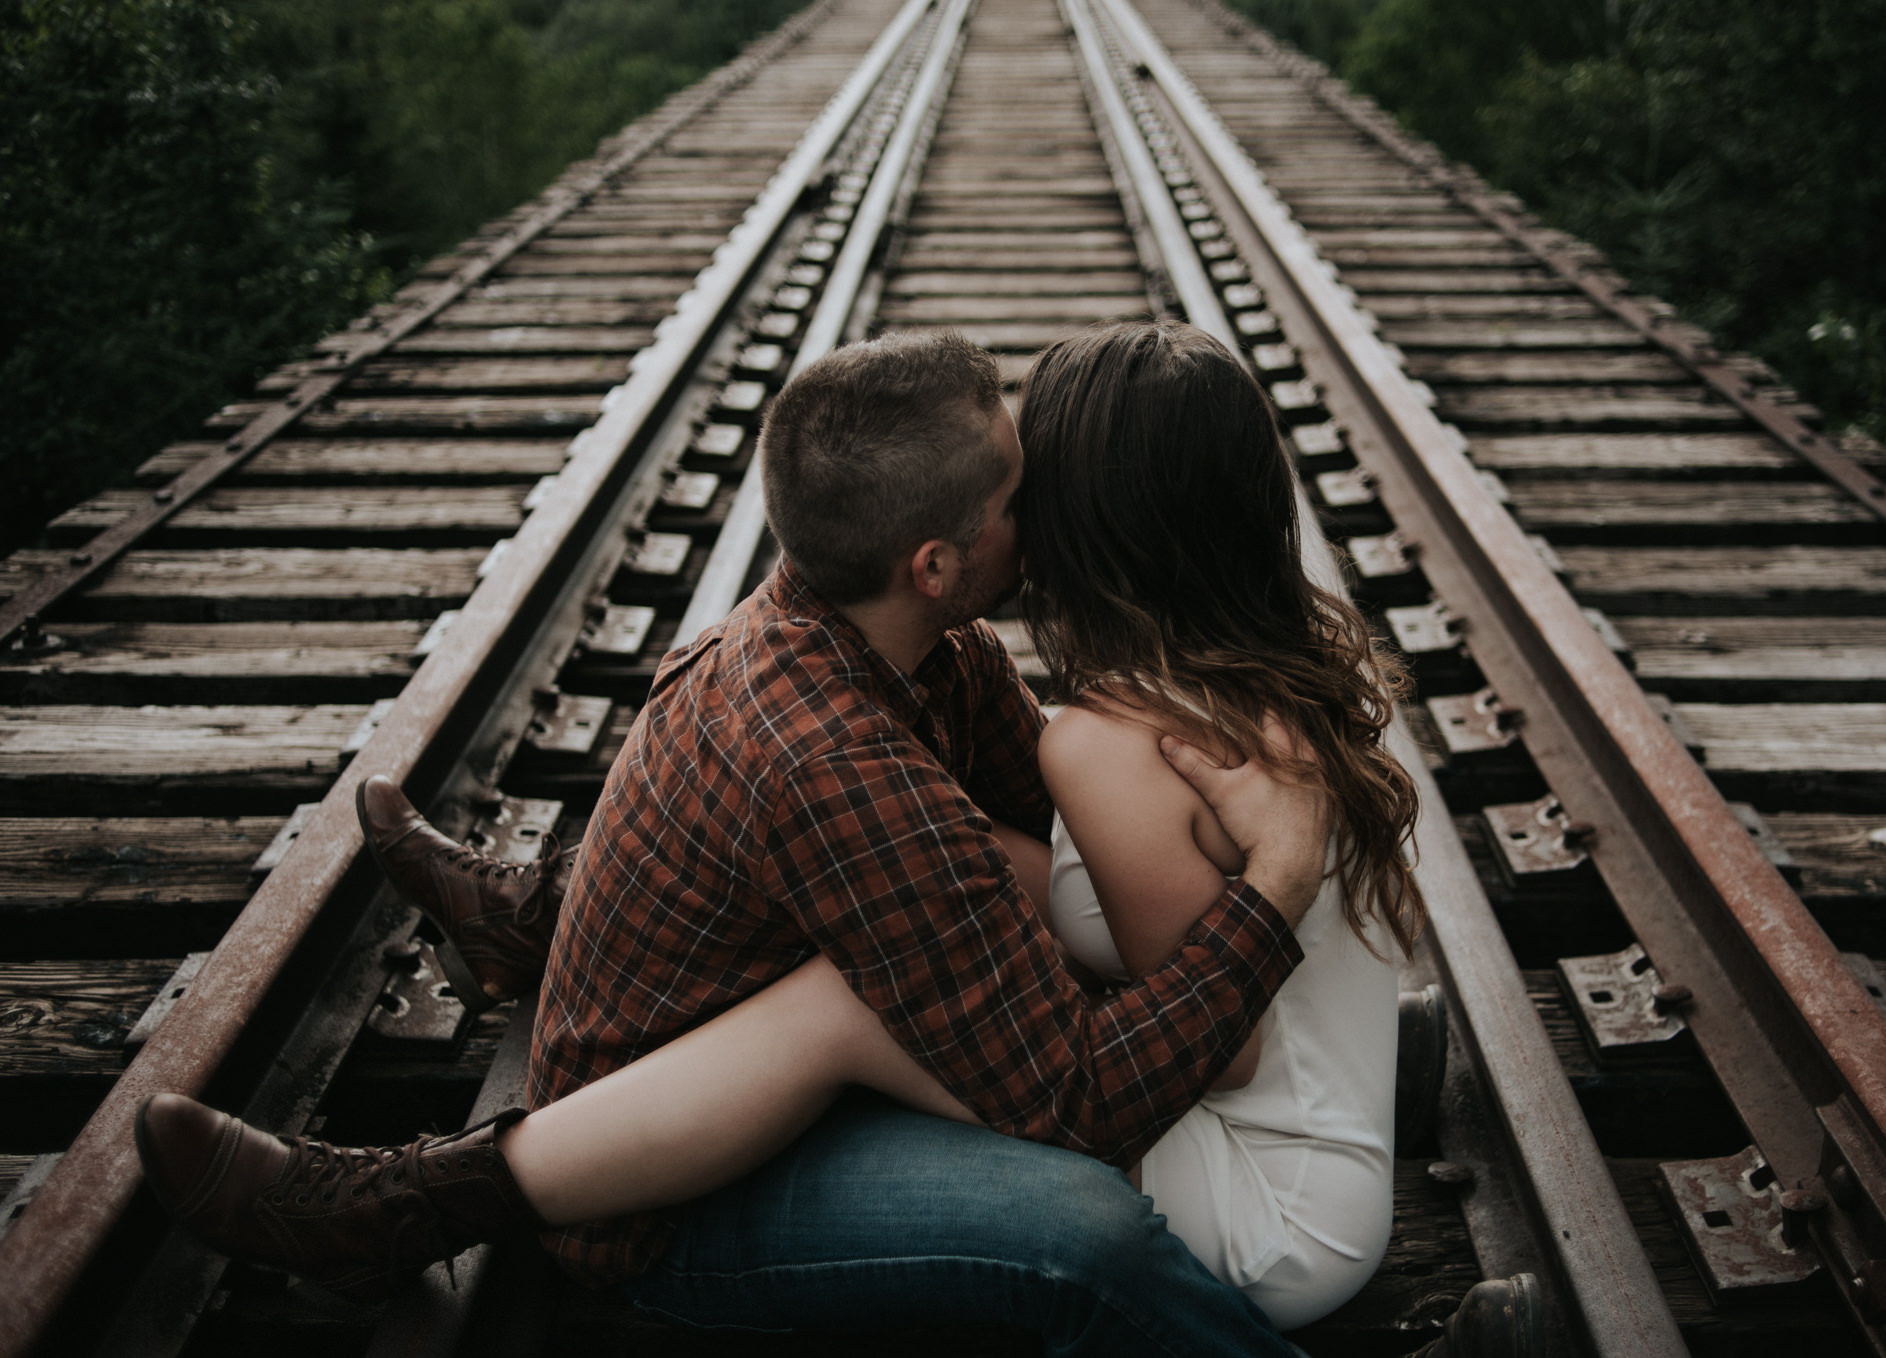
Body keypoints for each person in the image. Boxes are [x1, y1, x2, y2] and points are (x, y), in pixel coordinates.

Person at [136, 327, 1539, 1357]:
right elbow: (1076, 1102)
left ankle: (540, 921)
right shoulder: (828, 746)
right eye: (1016, 490)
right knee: (1070, 1221)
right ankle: (394, 1195)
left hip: (794, 1037)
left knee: (905, 933)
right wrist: (1281, 873)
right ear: (937, 561)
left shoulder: (922, 640)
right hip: (677, 1195)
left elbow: (1014, 849)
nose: (1036, 504)